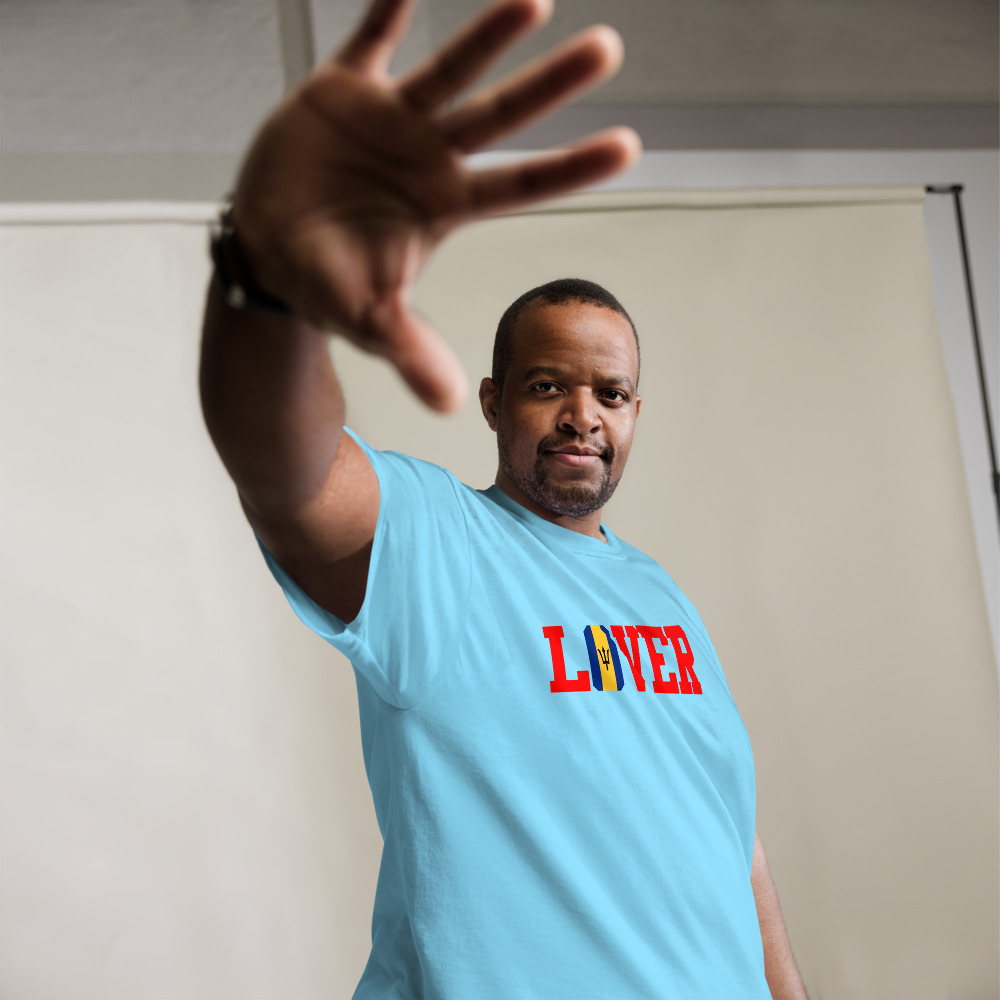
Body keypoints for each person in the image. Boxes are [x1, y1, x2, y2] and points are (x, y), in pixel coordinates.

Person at [199, 0, 809, 996]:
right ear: (494, 402)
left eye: (610, 393)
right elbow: (287, 472)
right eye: (547, 385)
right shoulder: (438, 542)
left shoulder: (660, 595)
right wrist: (269, 280)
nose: (582, 415)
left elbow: (731, 837)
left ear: (635, 413)